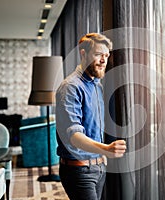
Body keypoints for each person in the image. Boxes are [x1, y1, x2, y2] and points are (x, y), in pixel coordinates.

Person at [56, 33, 127, 200]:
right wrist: (106, 149)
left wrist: (100, 156)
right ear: (83, 54)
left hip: (98, 167)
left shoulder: (97, 85)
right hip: (79, 171)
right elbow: (74, 136)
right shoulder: (70, 87)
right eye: (98, 54)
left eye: (106, 55)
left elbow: (93, 127)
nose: (104, 60)